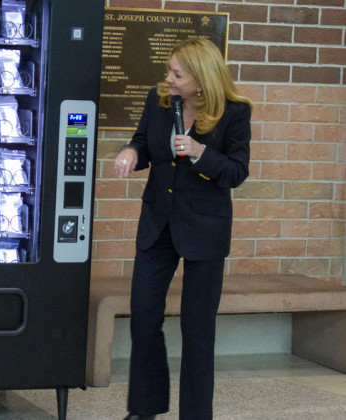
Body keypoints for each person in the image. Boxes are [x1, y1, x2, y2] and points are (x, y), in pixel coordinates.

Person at [114, 37, 253, 420]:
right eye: (168, 71)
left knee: (197, 330)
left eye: (177, 74)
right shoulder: (158, 100)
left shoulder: (234, 112)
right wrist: (131, 152)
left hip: (205, 229)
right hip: (158, 222)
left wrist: (199, 152)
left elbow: (237, 172)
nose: (168, 79)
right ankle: (145, 408)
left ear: (200, 78)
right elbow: (143, 142)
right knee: (143, 316)